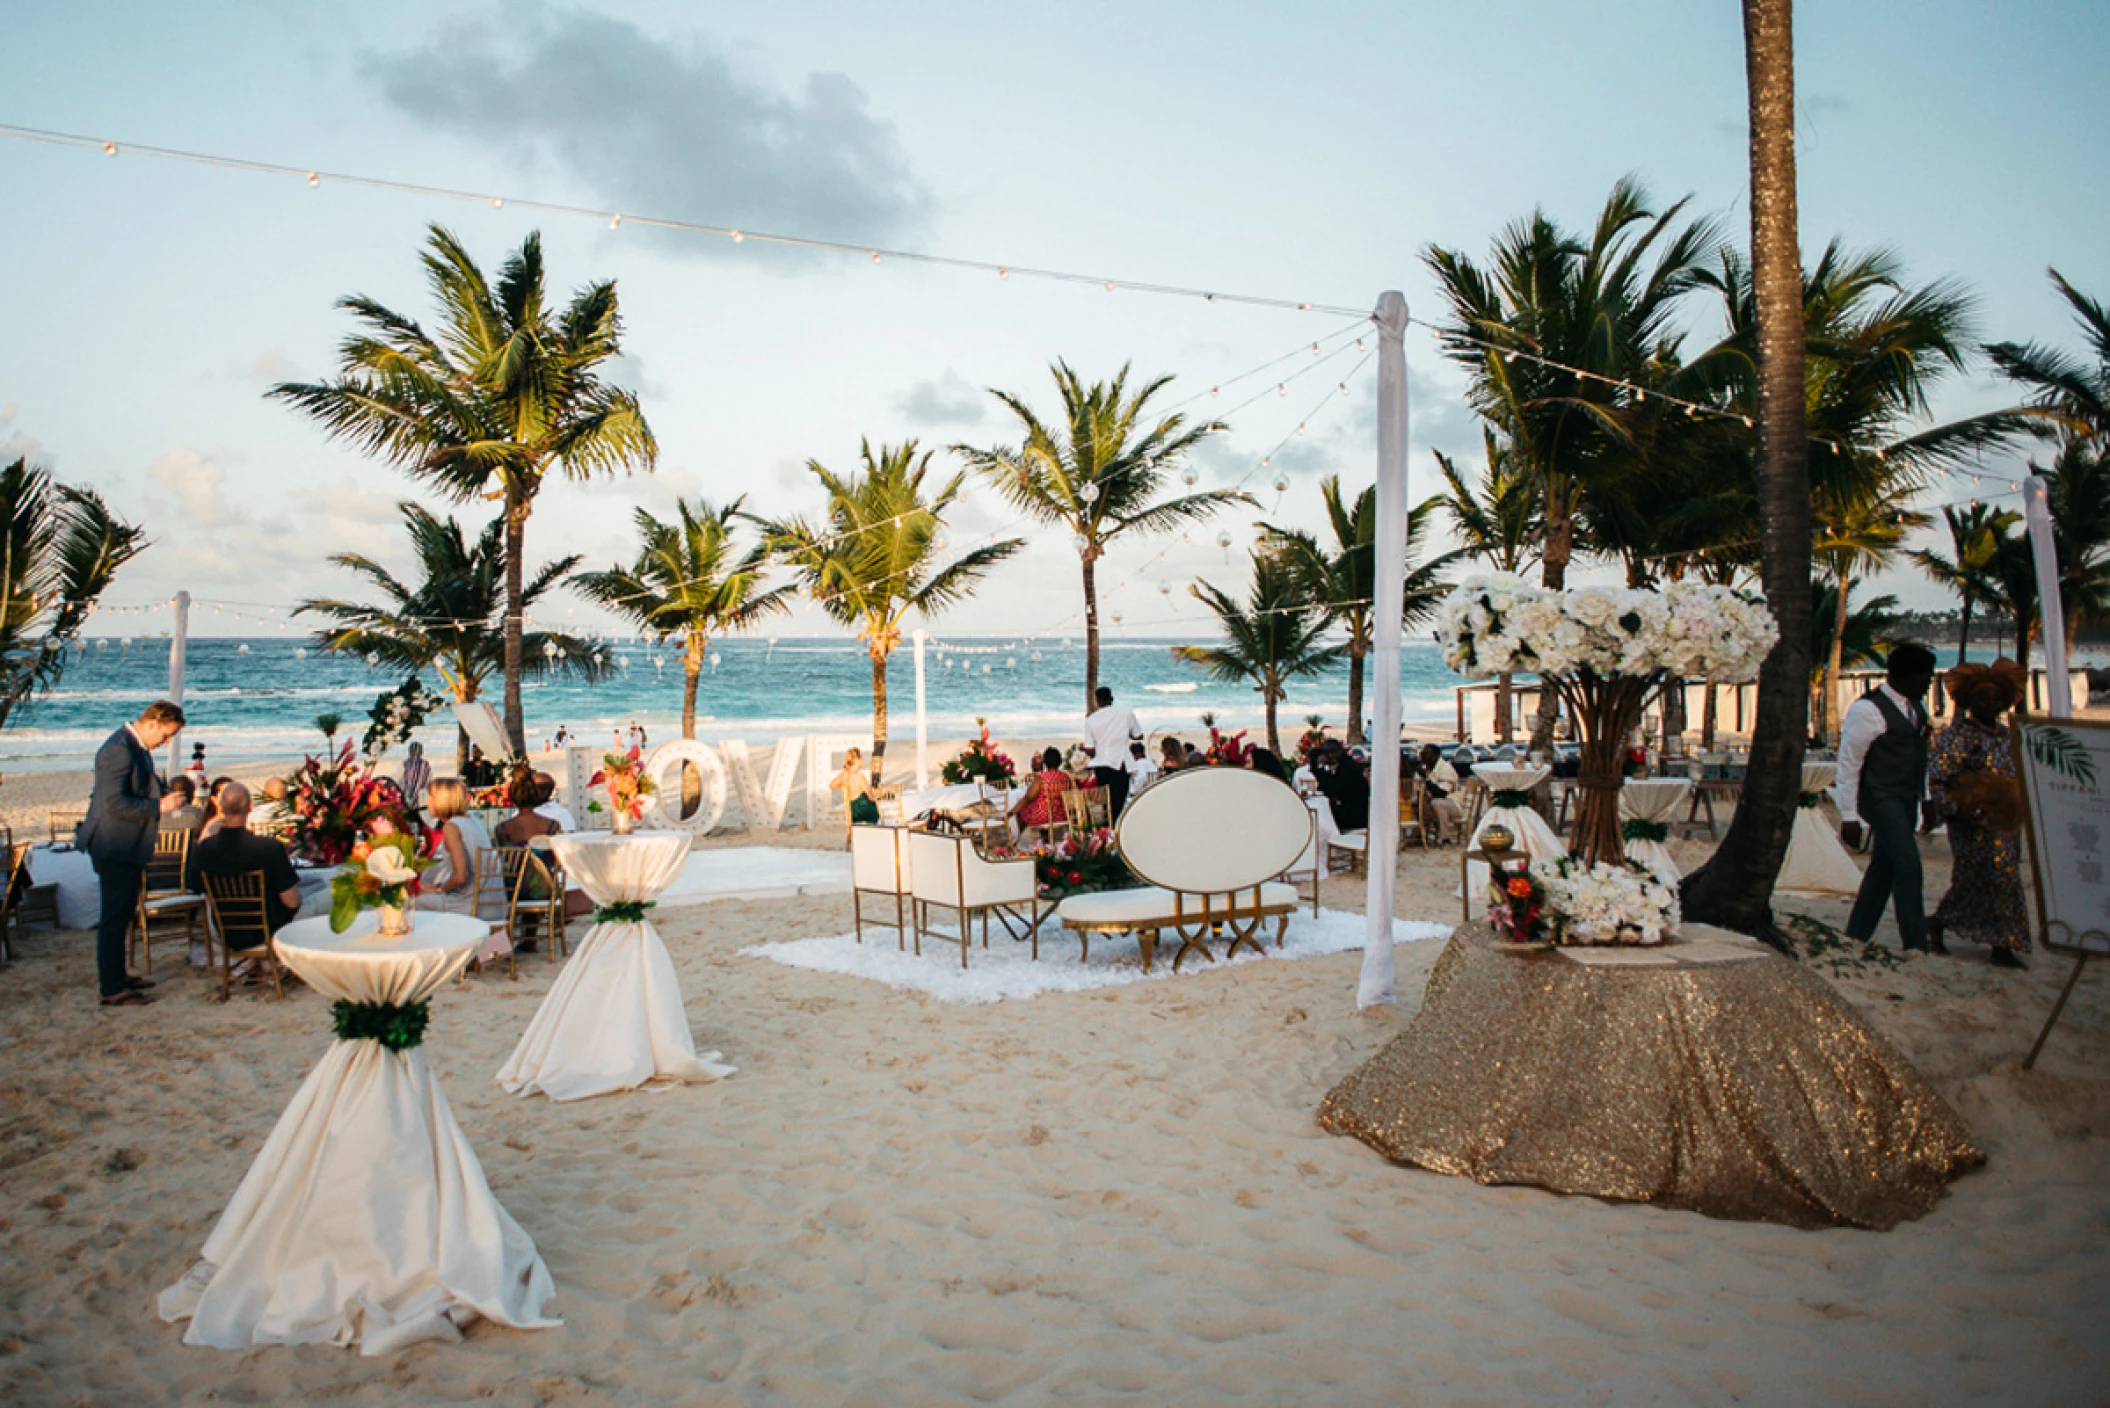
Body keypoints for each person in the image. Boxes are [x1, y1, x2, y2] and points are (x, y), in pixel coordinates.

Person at [1926, 659, 2032, 968]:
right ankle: (1939, 922)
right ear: (1969, 701)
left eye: (1995, 698)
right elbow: (1939, 777)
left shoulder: (2006, 735)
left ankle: (2003, 944)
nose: (1989, 703)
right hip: (1969, 820)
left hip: (2004, 821)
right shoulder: (1958, 735)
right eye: (1982, 698)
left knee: (2007, 878)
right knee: (1974, 877)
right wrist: (1955, 810)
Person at [80, 700, 186, 1006]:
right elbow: (113, 803)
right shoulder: (118, 750)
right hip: (113, 844)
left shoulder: (136, 747)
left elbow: (142, 785)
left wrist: (165, 792)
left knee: (124, 913)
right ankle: (111, 988)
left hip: (127, 845)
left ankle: (118, 974)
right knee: (114, 916)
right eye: (166, 735)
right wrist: (158, 807)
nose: (166, 742)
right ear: (152, 723)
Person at [1838, 642, 1940, 954]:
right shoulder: (1867, 710)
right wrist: (1849, 816)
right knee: (1908, 865)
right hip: (1880, 798)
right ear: (1908, 676)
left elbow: (1920, 758)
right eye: (1926, 677)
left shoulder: (1915, 709)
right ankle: (1915, 941)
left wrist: (1927, 799)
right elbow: (1849, 763)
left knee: (1883, 868)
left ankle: (1856, 933)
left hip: (1906, 797)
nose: (1929, 683)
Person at [185, 781, 304, 936]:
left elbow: (197, 886)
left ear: (221, 806)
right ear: (250, 806)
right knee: (325, 896)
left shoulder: (205, 849)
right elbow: (292, 902)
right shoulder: (269, 848)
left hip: (224, 930)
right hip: (271, 929)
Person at [422, 778, 511, 967]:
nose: (426, 801)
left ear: (443, 800)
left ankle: (435, 961)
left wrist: (438, 889)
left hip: (469, 904)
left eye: (431, 797)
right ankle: (477, 955)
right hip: (493, 903)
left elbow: (461, 876)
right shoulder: (472, 821)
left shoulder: (451, 827)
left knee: (408, 905)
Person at [494, 772, 593, 921]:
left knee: (524, 875)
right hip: (545, 890)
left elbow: (507, 862)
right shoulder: (551, 825)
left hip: (512, 891)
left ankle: (526, 935)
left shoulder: (502, 829)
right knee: (540, 877)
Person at [1084, 687, 1143, 818]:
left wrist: (1097, 751)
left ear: (1097, 701)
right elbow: (1138, 735)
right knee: (1118, 804)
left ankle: (1107, 831)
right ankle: (1114, 832)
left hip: (1101, 766)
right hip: (1120, 764)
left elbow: (1089, 748)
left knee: (1106, 806)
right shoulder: (1126, 713)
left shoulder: (1090, 720)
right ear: (1112, 699)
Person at [1014, 748, 1075, 833]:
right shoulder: (1065, 777)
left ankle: (1015, 840)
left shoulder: (1041, 777)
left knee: (1022, 811)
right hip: (1061, 814)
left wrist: (1012, 811)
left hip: (1044, 816)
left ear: (1045, 762)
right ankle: (1046, 839)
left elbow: (1029, 797)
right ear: (1060, 761)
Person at [1315, 739, 1370, 832]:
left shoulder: (1347, 768)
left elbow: (1331, 789)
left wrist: (1320, 768)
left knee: (1323, 820)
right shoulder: (1346, 764)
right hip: (1354, 812)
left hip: (1353, 817)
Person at [1417, 743, 1464, 842]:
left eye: (1426, 754)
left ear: (1435, 756)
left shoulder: (1445, 768)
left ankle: (1445, 837)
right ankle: (1418, 836)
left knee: (1437, 802)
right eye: (1422, 754)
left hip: (1453, 804)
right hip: (1434, 802)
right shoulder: (1428, 768)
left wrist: (1426, 779)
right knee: (1416, 802)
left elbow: (1442, 794)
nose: (1423, 757)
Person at [831, 747, 880, 826]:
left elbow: (832, 785)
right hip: (863, 810)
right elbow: (871, 797)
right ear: (856, 759)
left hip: (853, 811)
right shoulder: (860, 776)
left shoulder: (844, 774)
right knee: (880, 810)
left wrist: (844, 783)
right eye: (861, 758)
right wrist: (878, 800)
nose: (863, 760)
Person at [400, 741, 432, 807]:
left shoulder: (425, 766)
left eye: (417, 752)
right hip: (406, 796)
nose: (415, 754)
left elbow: (427, 781)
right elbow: (401, 781)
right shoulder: (404, 764)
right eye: (413, 752)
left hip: (420, 797)